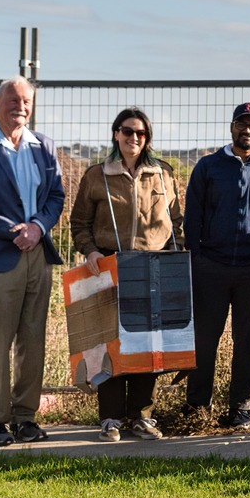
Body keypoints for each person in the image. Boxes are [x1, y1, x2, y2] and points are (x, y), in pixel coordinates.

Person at [70, 107, 182, 442]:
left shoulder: (164, 174)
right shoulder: (96, 175)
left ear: (148, 138)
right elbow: (79, 223)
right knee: (111, 345)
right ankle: (110, 419)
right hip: (108, 266)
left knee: (147, 346)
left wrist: (175, 257)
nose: (134, 138)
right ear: (116, 134)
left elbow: (177, 223)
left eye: (141, 133)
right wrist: (90, 250)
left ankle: (142, 416)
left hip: (153, 268)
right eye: (127, 131)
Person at [184, 101, 250, 430]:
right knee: (205, 339)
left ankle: (240, 409)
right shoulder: (208, 167)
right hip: (211, 268)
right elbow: (193, 215)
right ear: (231, 127)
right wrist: (198, 256)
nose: (247, 130)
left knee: (248, 341)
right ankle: (197, 406)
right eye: (241, 124)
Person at [0, 76, 65, 447]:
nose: (20, 106)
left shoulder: (43, 146)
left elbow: (56, 195)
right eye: (12, 99)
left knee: (33, 339)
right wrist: (16, 230)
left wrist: (39, 227)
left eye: (26, 101)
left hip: (37, 256)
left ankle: (25, 418)